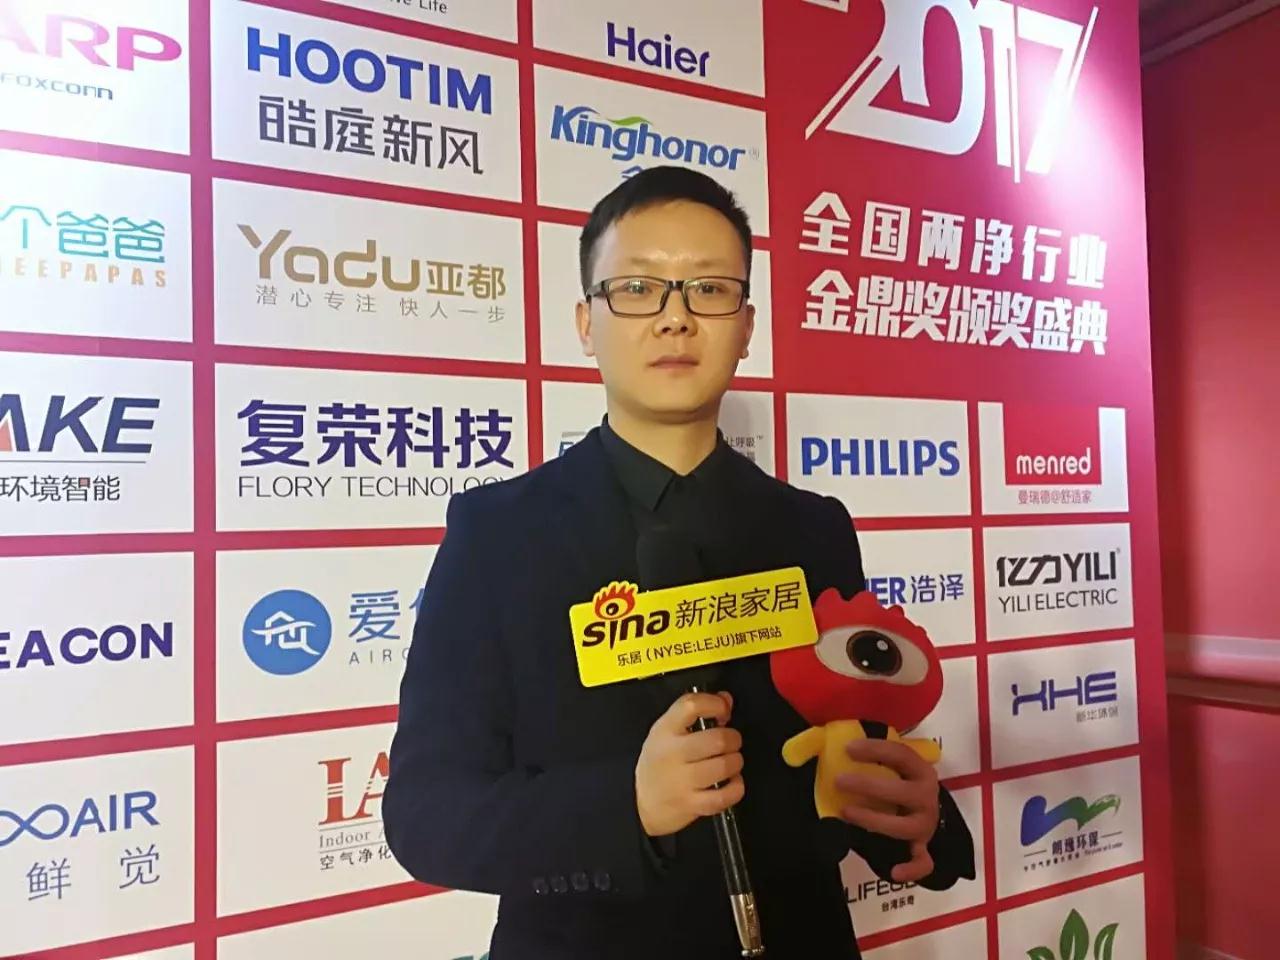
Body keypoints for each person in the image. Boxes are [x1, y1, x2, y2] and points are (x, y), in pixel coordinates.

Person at [383, 166, 975, 958]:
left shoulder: (814, 530)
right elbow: (426, 814)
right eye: (637, 289)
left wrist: (912, 819)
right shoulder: (497, 533)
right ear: (586, 322)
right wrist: (627, 806)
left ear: (747, 324)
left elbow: (851, 752)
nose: (674, 319)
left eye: (708, 289)